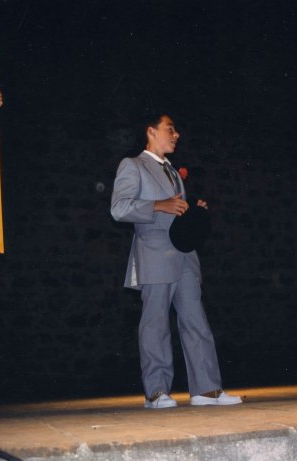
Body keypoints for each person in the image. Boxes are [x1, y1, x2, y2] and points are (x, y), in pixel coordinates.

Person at [111, 114, 242, 408]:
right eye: (170, 129)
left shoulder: (171, 170)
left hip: (184, 255)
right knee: (155, 324)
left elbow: (175, 211)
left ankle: (206, 389)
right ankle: (156, 392)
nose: (176, 134)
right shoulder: (133, 165)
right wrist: (159, 205)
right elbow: (119, 208)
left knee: (196, 320)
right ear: (151, 131)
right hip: (155, 254)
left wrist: (194, 210)